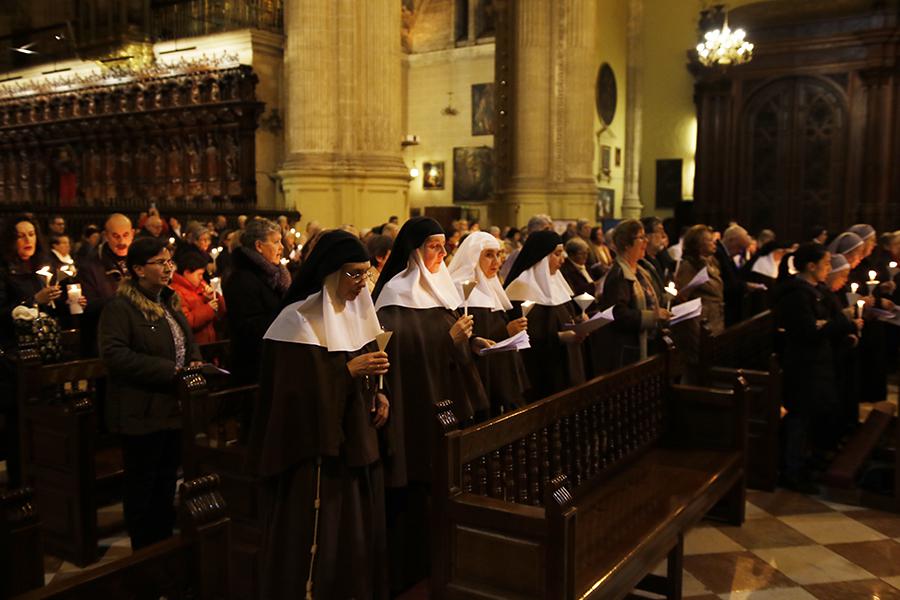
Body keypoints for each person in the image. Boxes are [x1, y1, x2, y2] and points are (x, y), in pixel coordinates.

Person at [249, 230, 390, 599]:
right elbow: (292, 398)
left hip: (353, 444)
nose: (362, 283)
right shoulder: (296, 322)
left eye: (366, 274)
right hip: (311, 458)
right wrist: (348, 372)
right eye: (353, 274)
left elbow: (363, 367)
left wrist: (378, 394)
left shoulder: (359, 312)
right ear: (329, 272)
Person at [372, 216, 489, 593]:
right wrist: (448, 341)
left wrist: (469, 345)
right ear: (415, 251)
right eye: (434, 247)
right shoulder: (394, 297)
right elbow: (401, 357)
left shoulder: (442, 290)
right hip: (417, 409)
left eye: (443, 246)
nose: (442, 253)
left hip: (445, 401)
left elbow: (446, 343)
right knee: (416, 497)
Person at [98, 237, 202, 549]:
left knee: (166, 479)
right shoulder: (121, 308)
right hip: (140, 410)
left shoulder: (166, 300)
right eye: (161, 262)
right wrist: (167, 370)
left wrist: (194, 359)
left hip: (170, 408)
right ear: (139, 269)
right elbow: (114, 355)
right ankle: (144, 551)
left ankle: (162, 545)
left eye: (169, 261)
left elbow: (185, 339)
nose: (169, 267)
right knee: (143, 483)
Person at [773, 243, 856, 493]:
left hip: (817, 362)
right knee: (799, 416)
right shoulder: (796, 294)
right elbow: (808, 332)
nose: (829, 268)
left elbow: (829, 321)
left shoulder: (816, 290)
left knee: (811, 415)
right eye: (826, 264)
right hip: (802, 364)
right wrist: (841, 323)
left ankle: (806, 460)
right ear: (811, 266)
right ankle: (792, 471)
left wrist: (833, 324)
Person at [0, 215, 62, 488]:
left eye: (32, 234)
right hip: (13, 359)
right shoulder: (4, 269)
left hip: (42, 355)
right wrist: (32, 301)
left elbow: (45, 314)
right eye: (21, 235)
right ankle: (20, 485)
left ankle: (43, 481)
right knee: (18, 427)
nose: (27, 240)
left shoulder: (40, 269)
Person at [448, 231, 529, 414]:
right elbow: (471, 339)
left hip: (498, 374)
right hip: (477, 377)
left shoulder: (491, 285)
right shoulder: (459, 289)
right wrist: (505, 331)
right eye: (489, 255)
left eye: (498, 255)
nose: (497, 262)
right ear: (473, 257)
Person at [505, 229, 585, 400]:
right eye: (557, 253)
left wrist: (579, 321)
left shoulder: (557, 282)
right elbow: (524, 340)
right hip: (541, 374)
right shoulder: (520, 289)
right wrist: (560, 337)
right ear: (541, 257)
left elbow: (564, 318)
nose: (563, 258)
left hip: (566, 365)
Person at [223, 218, 291, 384]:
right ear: (259, 246)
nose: (282, 247)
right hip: (255, 367)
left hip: (275, 359)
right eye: (276, 242)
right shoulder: (241, 279)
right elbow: (248, 326)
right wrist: (289, 317)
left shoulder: (275, 275)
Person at [601, 220, 671, 368]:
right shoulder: (619, 275)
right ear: (627, 244)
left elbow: (652, 298)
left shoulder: (641, 270)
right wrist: (652, 316)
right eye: (641, 237)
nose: (646, 241)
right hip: (629, 350)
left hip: (649, 342)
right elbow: (617, 314)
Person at [78, 213, 134, 355]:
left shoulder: (140, 260)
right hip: (107, 339)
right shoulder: (91, 266)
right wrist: (124, 297)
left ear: (132, 234)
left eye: (126, 235)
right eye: (116, 236)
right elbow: (88, 307)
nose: (122, 241)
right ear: (106, 235)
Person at [170, 251, 226, 344]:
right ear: (187, 272)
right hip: (196, 345)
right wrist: (209, 308)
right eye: (199, 274)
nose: (201, 278)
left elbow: (220, 314)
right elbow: (186, 321)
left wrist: (214, 297)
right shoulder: (176, 292)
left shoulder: (199, 287)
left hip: (210, 342)